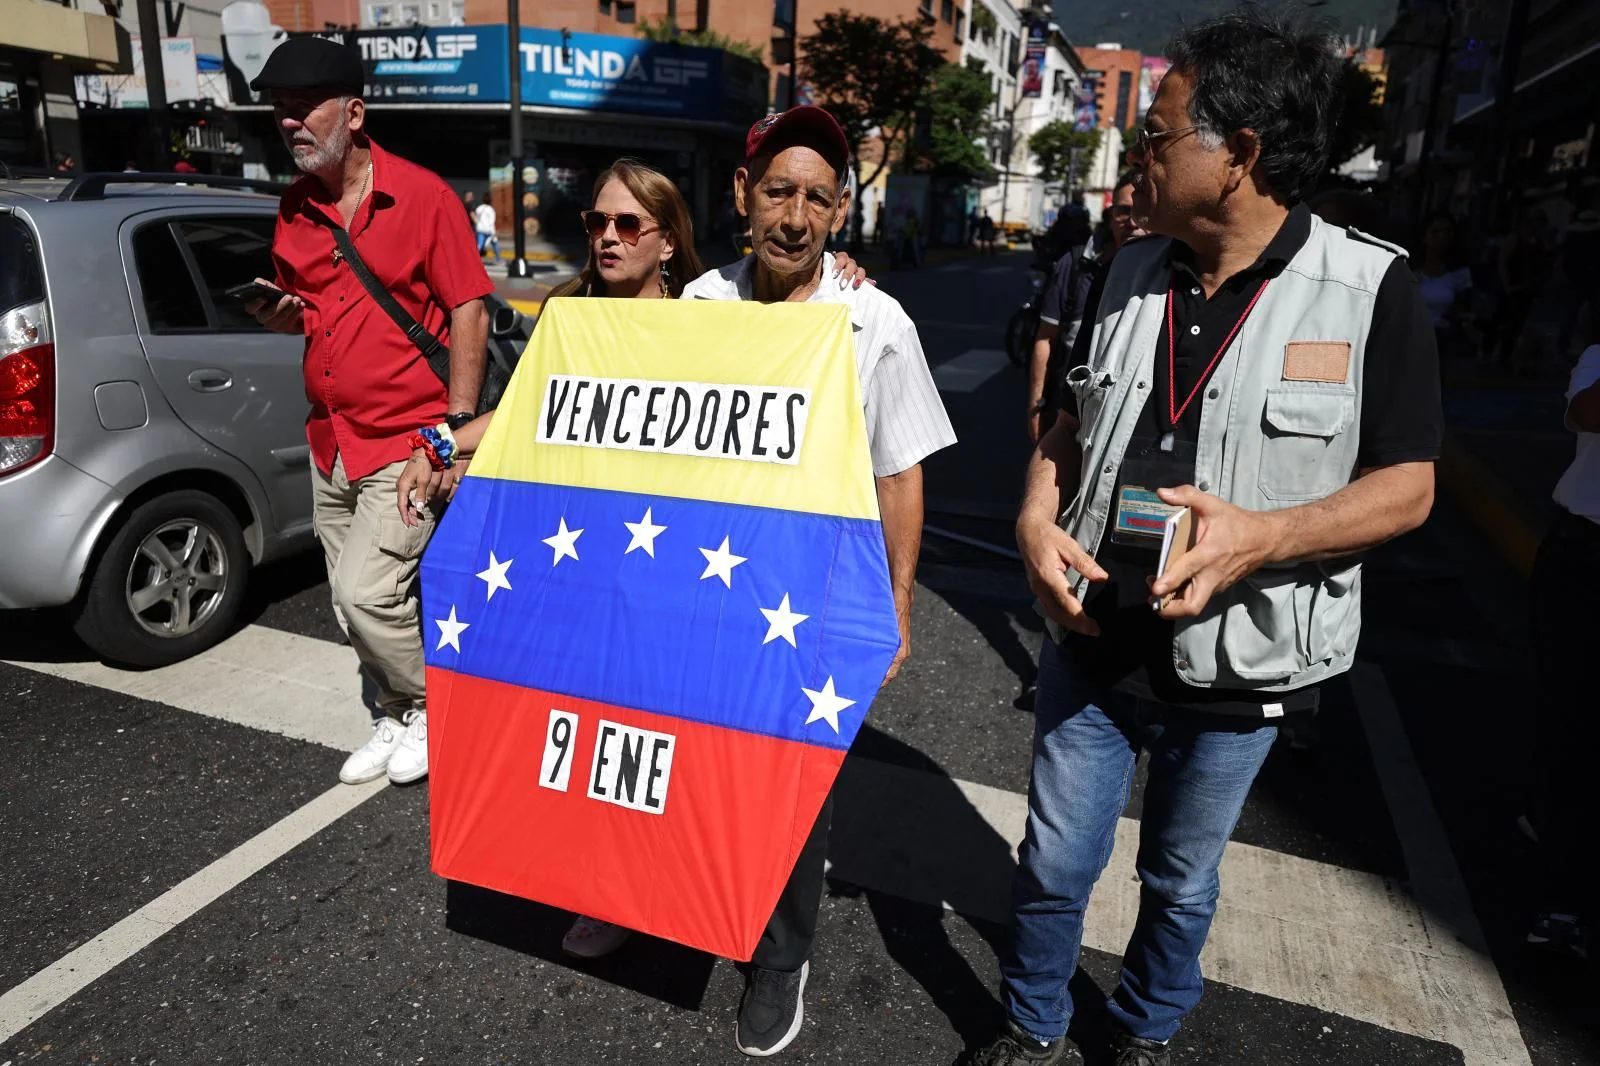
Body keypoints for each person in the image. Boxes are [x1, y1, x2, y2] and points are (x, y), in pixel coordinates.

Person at [976, 11, 1441, 1065]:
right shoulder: (1127, 269)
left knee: (1181, 876)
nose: (1140, 152)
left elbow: (1408, 488)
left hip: (1238, 657)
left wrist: (1261, 537)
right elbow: (1069, 419)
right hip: (1091, 634)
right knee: (1054, 857)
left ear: (1238, 155)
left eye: (1160, 133)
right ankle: (1032, 1023)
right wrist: (1032, 511)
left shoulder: (1372, 290)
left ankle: (1143, 1027)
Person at [397, 156, 870, 965]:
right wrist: (443, 441)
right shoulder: (566, 313)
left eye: (627, 225)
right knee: (584, 727)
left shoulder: (700, 314)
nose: (607, 238)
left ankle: (663, 883)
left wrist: (839, 268)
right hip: (580, 556)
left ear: (665, 239)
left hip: (677, 566)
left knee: (666, 727)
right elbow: (528, 414)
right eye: (596, 223)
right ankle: (600, 886)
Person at [683, 104, 956, 1057]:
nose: (794, 217)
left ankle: (780, 958)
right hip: (706, 587)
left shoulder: (873, 317)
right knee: (697, 756)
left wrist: (898, 601)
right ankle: (674, 898)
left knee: (793, 786)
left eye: (817, 199)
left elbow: (900, 469)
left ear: (839, 214)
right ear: (743, 197)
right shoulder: (701, 306)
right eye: (778, 192)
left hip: (814, 597)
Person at [246, 36, 492, 789]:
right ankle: (394, 712)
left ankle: (435, 708)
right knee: (346, 603)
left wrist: (449, 434)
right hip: (331, 439)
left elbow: (470, 309)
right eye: (280, 113)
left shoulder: (423, 197)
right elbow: (316, 310)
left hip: (406, 438)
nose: (289, 124)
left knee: (368, 591)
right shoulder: (294, 209)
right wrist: (287, 318)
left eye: (303, 109)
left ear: (354, 112)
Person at [1524, 287, 1600, 960]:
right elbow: (1585, 412)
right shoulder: (1598, 356)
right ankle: (1562, 897)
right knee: (1571, 721)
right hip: (1585, 553)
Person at [1027, 171, 1146, 442]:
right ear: (1110, 214)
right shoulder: (1075, 264)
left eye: (1142, 210)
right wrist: (1036, 405)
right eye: (1124, 211)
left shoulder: (1167, 272)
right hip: (1066, 417)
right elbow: (1046, 338)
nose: (1134, 222)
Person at [1413, 212, 1475, 361]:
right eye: (1435, 232)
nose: (1441, 238)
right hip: (1410, 334)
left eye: (1447, 232)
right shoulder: (1411, 269)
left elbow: (1462, 308)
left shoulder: (1459, 273)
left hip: (1441, 338)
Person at [1495, 208, 1551, 370]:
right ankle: (1499, 355)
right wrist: (1507, 285)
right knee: (1505, 321)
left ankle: (1508, 355)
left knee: (1517, 323)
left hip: (1527, 287)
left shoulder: (1539, 240)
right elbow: (1503, 261)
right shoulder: (1516, 238)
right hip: (1512, 287)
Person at [472, 195, 500, 260]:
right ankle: (498, 258)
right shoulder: (491, 210)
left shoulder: (479, 208)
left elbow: (476, 218)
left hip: (480, 229)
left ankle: (475, 258)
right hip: (489, 230)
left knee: (480, 245)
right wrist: (494, 232)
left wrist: (478, 224)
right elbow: (492, 222)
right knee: (494, 243)